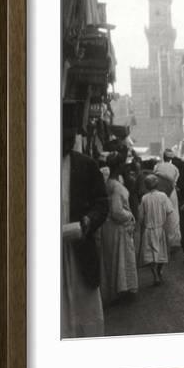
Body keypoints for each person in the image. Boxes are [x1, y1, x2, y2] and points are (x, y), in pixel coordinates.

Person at [61, 122, 108, 338]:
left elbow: (101, 203)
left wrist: (89, 221)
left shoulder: (86, 165)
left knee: (86, 312)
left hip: (79, 250)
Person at [99, 153, 138, 305]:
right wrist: (129, 215)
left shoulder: (109, 183)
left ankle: (117, 289)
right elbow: (117, 211)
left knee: (113, 258)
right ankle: (122, 290)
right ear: (119, 166)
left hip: (109, 227)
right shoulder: (115, 186)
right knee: (121, 258)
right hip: (117, 228)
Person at [138, 174, 174, 286]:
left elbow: (141, 216)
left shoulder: (144, 198)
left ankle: (155, 276)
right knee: (161, 252)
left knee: (151, 254)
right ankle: (159, 271)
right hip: (160, 228)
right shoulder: (163, 196)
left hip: (149, 229)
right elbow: (169, 211)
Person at [154, 149, 181, 248]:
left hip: (157, 190)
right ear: (171, 158)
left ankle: (158, 241)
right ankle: (173, 241)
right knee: (173, 215)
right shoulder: (174, 168)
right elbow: (175, 181)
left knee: (157, 214)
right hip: (171, 191)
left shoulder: (157, 166)